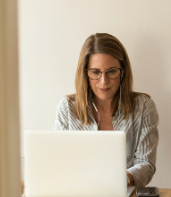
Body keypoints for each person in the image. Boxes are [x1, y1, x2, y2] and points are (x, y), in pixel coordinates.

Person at [54, 33, 158, 188]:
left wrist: (120, 180)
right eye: (96, 72)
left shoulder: (143, 107)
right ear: (85, 73)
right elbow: (58, 163)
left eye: (111, 71)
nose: (104, 81)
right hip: (77, 195)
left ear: (122, 72)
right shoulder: (67, 108)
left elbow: (146, 164)